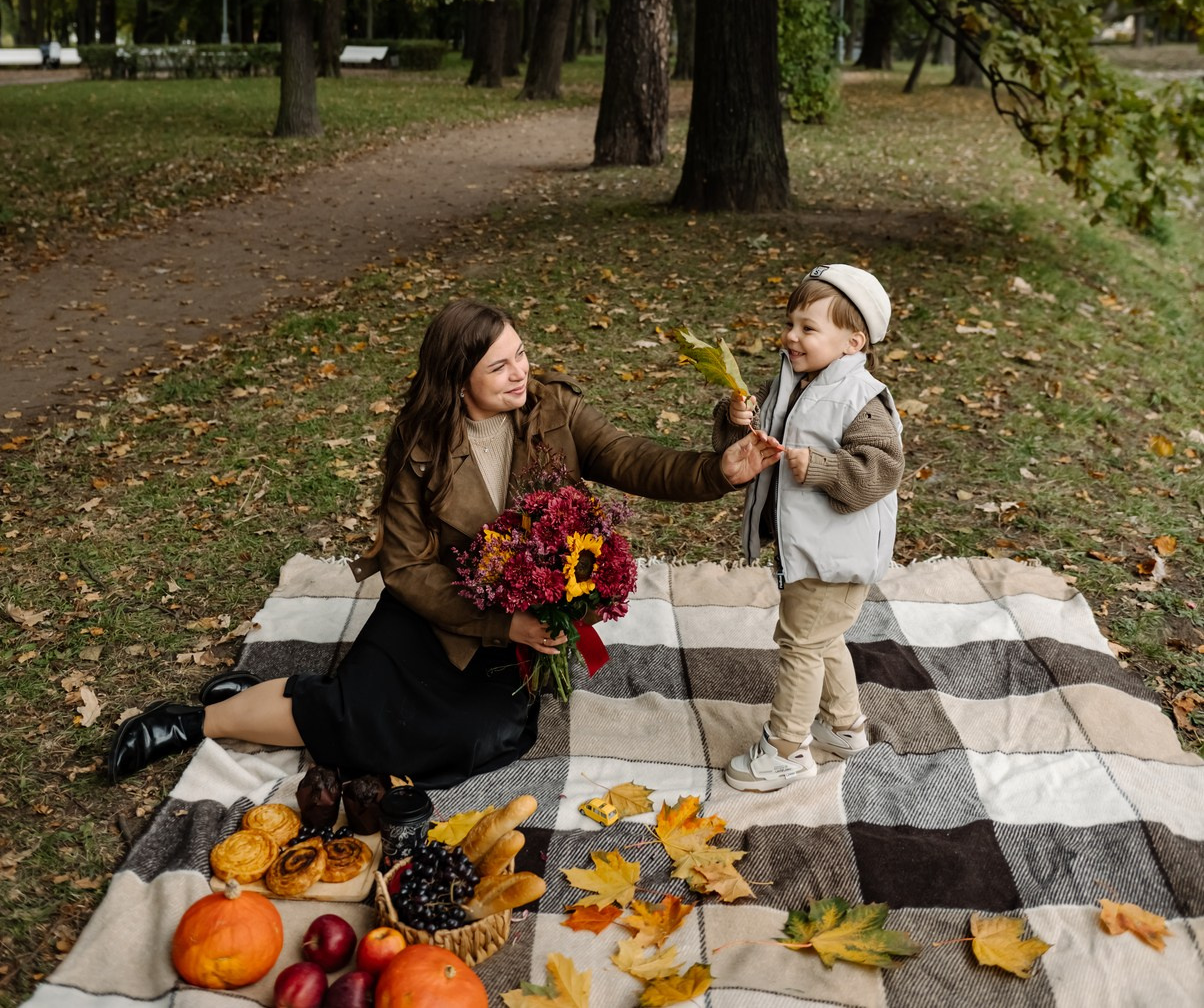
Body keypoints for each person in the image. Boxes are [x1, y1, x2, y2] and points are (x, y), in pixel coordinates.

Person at [107, 298, 782, 787]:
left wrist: (719, 469)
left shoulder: (553, 409)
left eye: (521, 353)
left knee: (476, 741)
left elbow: (634, 458)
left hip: (517, 617)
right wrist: (500, 621)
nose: (520, 373)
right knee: (362, 718)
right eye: (499, 367)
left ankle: (263, 697)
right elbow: (404, 567)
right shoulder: (423, 445)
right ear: (460, 382)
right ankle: (197, 722)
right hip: (446, 605)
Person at [712, 262, 903, 792]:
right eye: (790, 322)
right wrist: (737, 419)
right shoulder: (794, 381)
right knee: (822, 638)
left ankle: (785, 749)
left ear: (853, 341)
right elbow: (751, 441)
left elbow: (881, 470)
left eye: (808, 328)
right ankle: (844, 728)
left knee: (799, 644)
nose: (791, 336)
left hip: (836, 553)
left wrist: (819, 468)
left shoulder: (860, 398)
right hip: (811, 548)